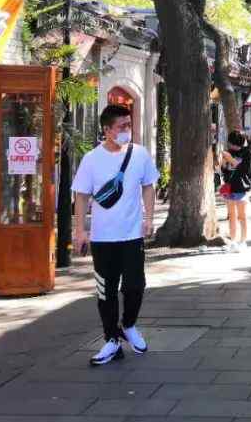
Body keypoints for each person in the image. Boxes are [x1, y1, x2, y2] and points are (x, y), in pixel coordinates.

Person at [72, 104, 159, 366]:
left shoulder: (140, 154)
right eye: (122, 126)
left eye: (129, 125)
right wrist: (80, 230)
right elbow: (81, 195)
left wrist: (149, 219)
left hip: (132, 235)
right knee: (105, 291)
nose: (127, 130)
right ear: (107, 130)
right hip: (102, 239)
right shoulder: (91, 159)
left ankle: (128, 325)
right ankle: (111, 339)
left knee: (135, 286)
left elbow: (148, 186)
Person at [219, 130, 251, 252]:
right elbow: (225, 171)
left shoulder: (248, 153)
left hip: (241, 188)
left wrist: (231, 160)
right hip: (229, 187)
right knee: (231, 216)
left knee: (242, 216)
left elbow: (246, 171)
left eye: (231, 143)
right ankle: (233, 241)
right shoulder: (230, 152)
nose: (230, 145)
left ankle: (243, 241)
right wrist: (223, 164)